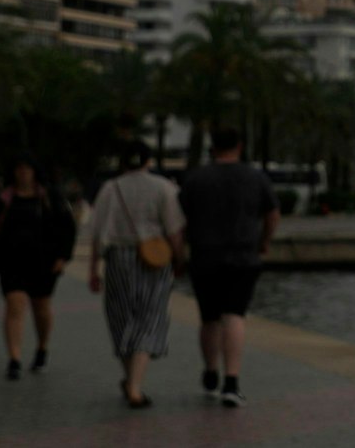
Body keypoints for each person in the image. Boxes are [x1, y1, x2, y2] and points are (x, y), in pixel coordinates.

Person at [178, 128, 279, 407]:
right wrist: (264, 242)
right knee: (234, 315)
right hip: (243, 257)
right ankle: (231, 382)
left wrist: (179, 254)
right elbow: (272, 213)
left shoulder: (196, 178)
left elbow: (179, 220)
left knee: (209, 318)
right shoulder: (255, 177)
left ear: (212, 147)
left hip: (204, 257)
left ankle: (211, 371)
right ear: (240, 145)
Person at [88, 141, 186, 409]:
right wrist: (179, 258)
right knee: (149, 317)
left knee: (121, 317)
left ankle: (129, 378)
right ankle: (135, 387)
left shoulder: (110, 188)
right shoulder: (163, 188)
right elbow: (175, 229)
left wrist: (93, 270)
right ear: (148, 161)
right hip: (153, 259)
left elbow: (96, 233)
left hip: (117, 258)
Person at [0, 155, 78, 381]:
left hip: (43, 260)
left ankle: (42, 348)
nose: (23, 173)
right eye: (19, 168)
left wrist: (63, 256)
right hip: (11, 261)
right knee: (15, 305)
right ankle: (14, 358)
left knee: (41, 307)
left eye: (27, 169)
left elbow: (67, 226)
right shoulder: (5, 198)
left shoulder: (49, 197)